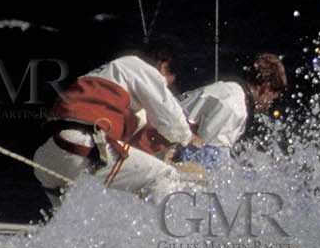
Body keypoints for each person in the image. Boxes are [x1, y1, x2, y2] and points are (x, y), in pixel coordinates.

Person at [31, 45, 199, 207]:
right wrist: (189, 139)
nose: (166, 87)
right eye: (168, 82)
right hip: (82, 147)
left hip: (47, 156)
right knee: (165, 176)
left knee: (74, 225)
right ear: (164, 66)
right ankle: (166, 234)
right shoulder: (138, 67)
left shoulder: (107, 76)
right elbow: (171, 119)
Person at [176, 53, 289, 167]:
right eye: (272, 99)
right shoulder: (235, 107)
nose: (269, 105)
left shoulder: (232, 90)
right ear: (266, 87)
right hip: (162, 146)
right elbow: (206, 158)